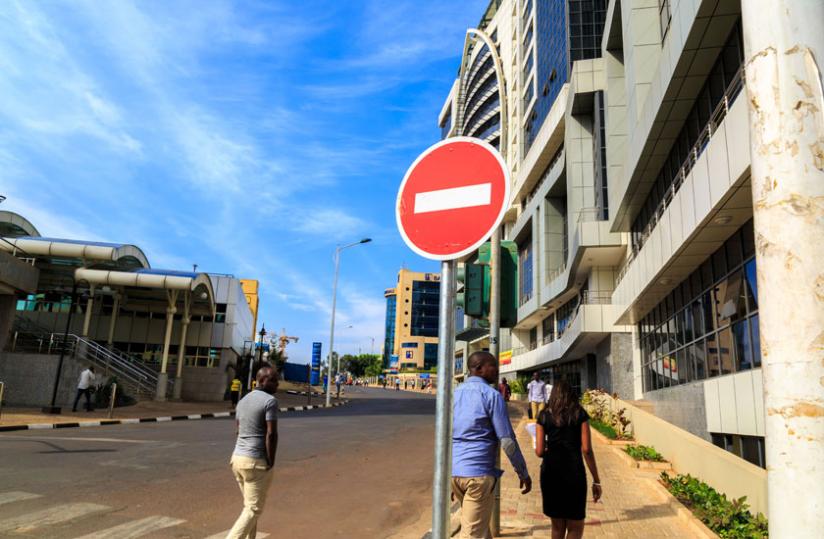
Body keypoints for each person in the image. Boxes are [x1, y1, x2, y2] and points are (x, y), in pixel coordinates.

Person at [452, 351, 532, 539]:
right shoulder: (492, 395)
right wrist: (522, 472)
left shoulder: (453, 395)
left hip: (455, 473)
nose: (497, 370)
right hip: (478, 477)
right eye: (493, 365)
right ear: (479, 368)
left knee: (481, 529)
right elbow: (507, 440)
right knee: (471, 534)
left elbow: (446, 434)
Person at [535, 380, 601, 539]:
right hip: (574, 473)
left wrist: (549, 448)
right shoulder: (579, 414)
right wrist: (596, 480)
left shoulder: (543, 415)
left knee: (557, 527)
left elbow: (538, 451)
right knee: (575, 526)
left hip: (551, 472)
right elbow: (587, 449)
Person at [227, 366, 279, 539]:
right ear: (262, 380)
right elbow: (271, 434)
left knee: (249, 508)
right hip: (255, 462)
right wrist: (270, 461)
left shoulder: (243, 401)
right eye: (274, 380)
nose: (277, 384)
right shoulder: (270, 401)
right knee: (253, 509)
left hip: (237, 460)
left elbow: (238, 430)